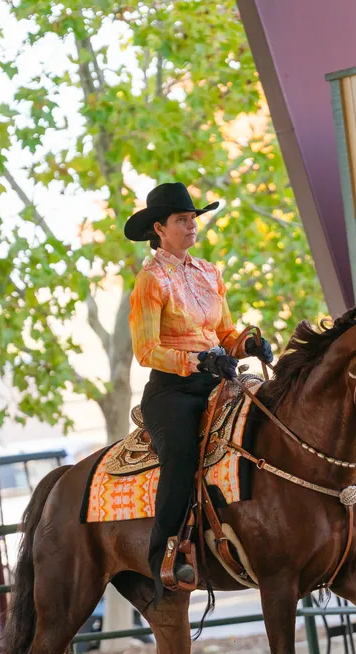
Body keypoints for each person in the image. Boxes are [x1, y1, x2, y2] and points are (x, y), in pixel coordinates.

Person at [125, 182, 273, 598]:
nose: (192, 226)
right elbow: (146, 349)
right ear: (160, 227)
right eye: (182, 220)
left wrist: (247, 344)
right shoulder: (149, 282)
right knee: (181, 455)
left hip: (218, 379)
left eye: (193, 219)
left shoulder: (209, 272)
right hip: (173, 390)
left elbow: (224, 333)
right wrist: (197, 361)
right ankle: (164, 555)